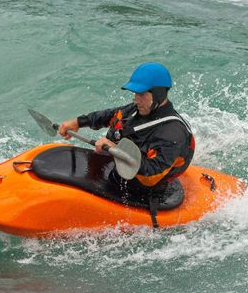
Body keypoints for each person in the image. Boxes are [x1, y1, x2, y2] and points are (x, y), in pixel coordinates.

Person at [58, 62, 195, 206]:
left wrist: (115, 149)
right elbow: (109, 115)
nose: (136, 99)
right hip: (120, 172)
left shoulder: (172, 134)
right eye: (135, 93)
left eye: (141, 94)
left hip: (145, 191)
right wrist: (78, 122)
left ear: (158, 94)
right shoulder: (138, 109)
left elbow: (151, 174)